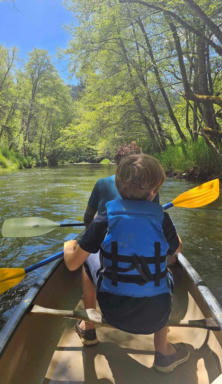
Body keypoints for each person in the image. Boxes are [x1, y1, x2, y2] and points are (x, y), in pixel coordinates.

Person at [63, 153, 189, 373]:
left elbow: (72, 264)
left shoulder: (104, 219)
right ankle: (163, 352)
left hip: (112, 312)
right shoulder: (162, 218)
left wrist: (68, 247)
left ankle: (89, 328)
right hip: (156, 315)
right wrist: (175, 237)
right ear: (154, 192)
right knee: (165, 271)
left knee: (88, 260)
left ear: (117, 185)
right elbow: (176, 249)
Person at [84, 142, 160, 226]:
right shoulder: (151, 187)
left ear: (117, 163)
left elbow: (88, 217)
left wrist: (89, 233)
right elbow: (155, 217)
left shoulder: (102, 183)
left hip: (105, 232)